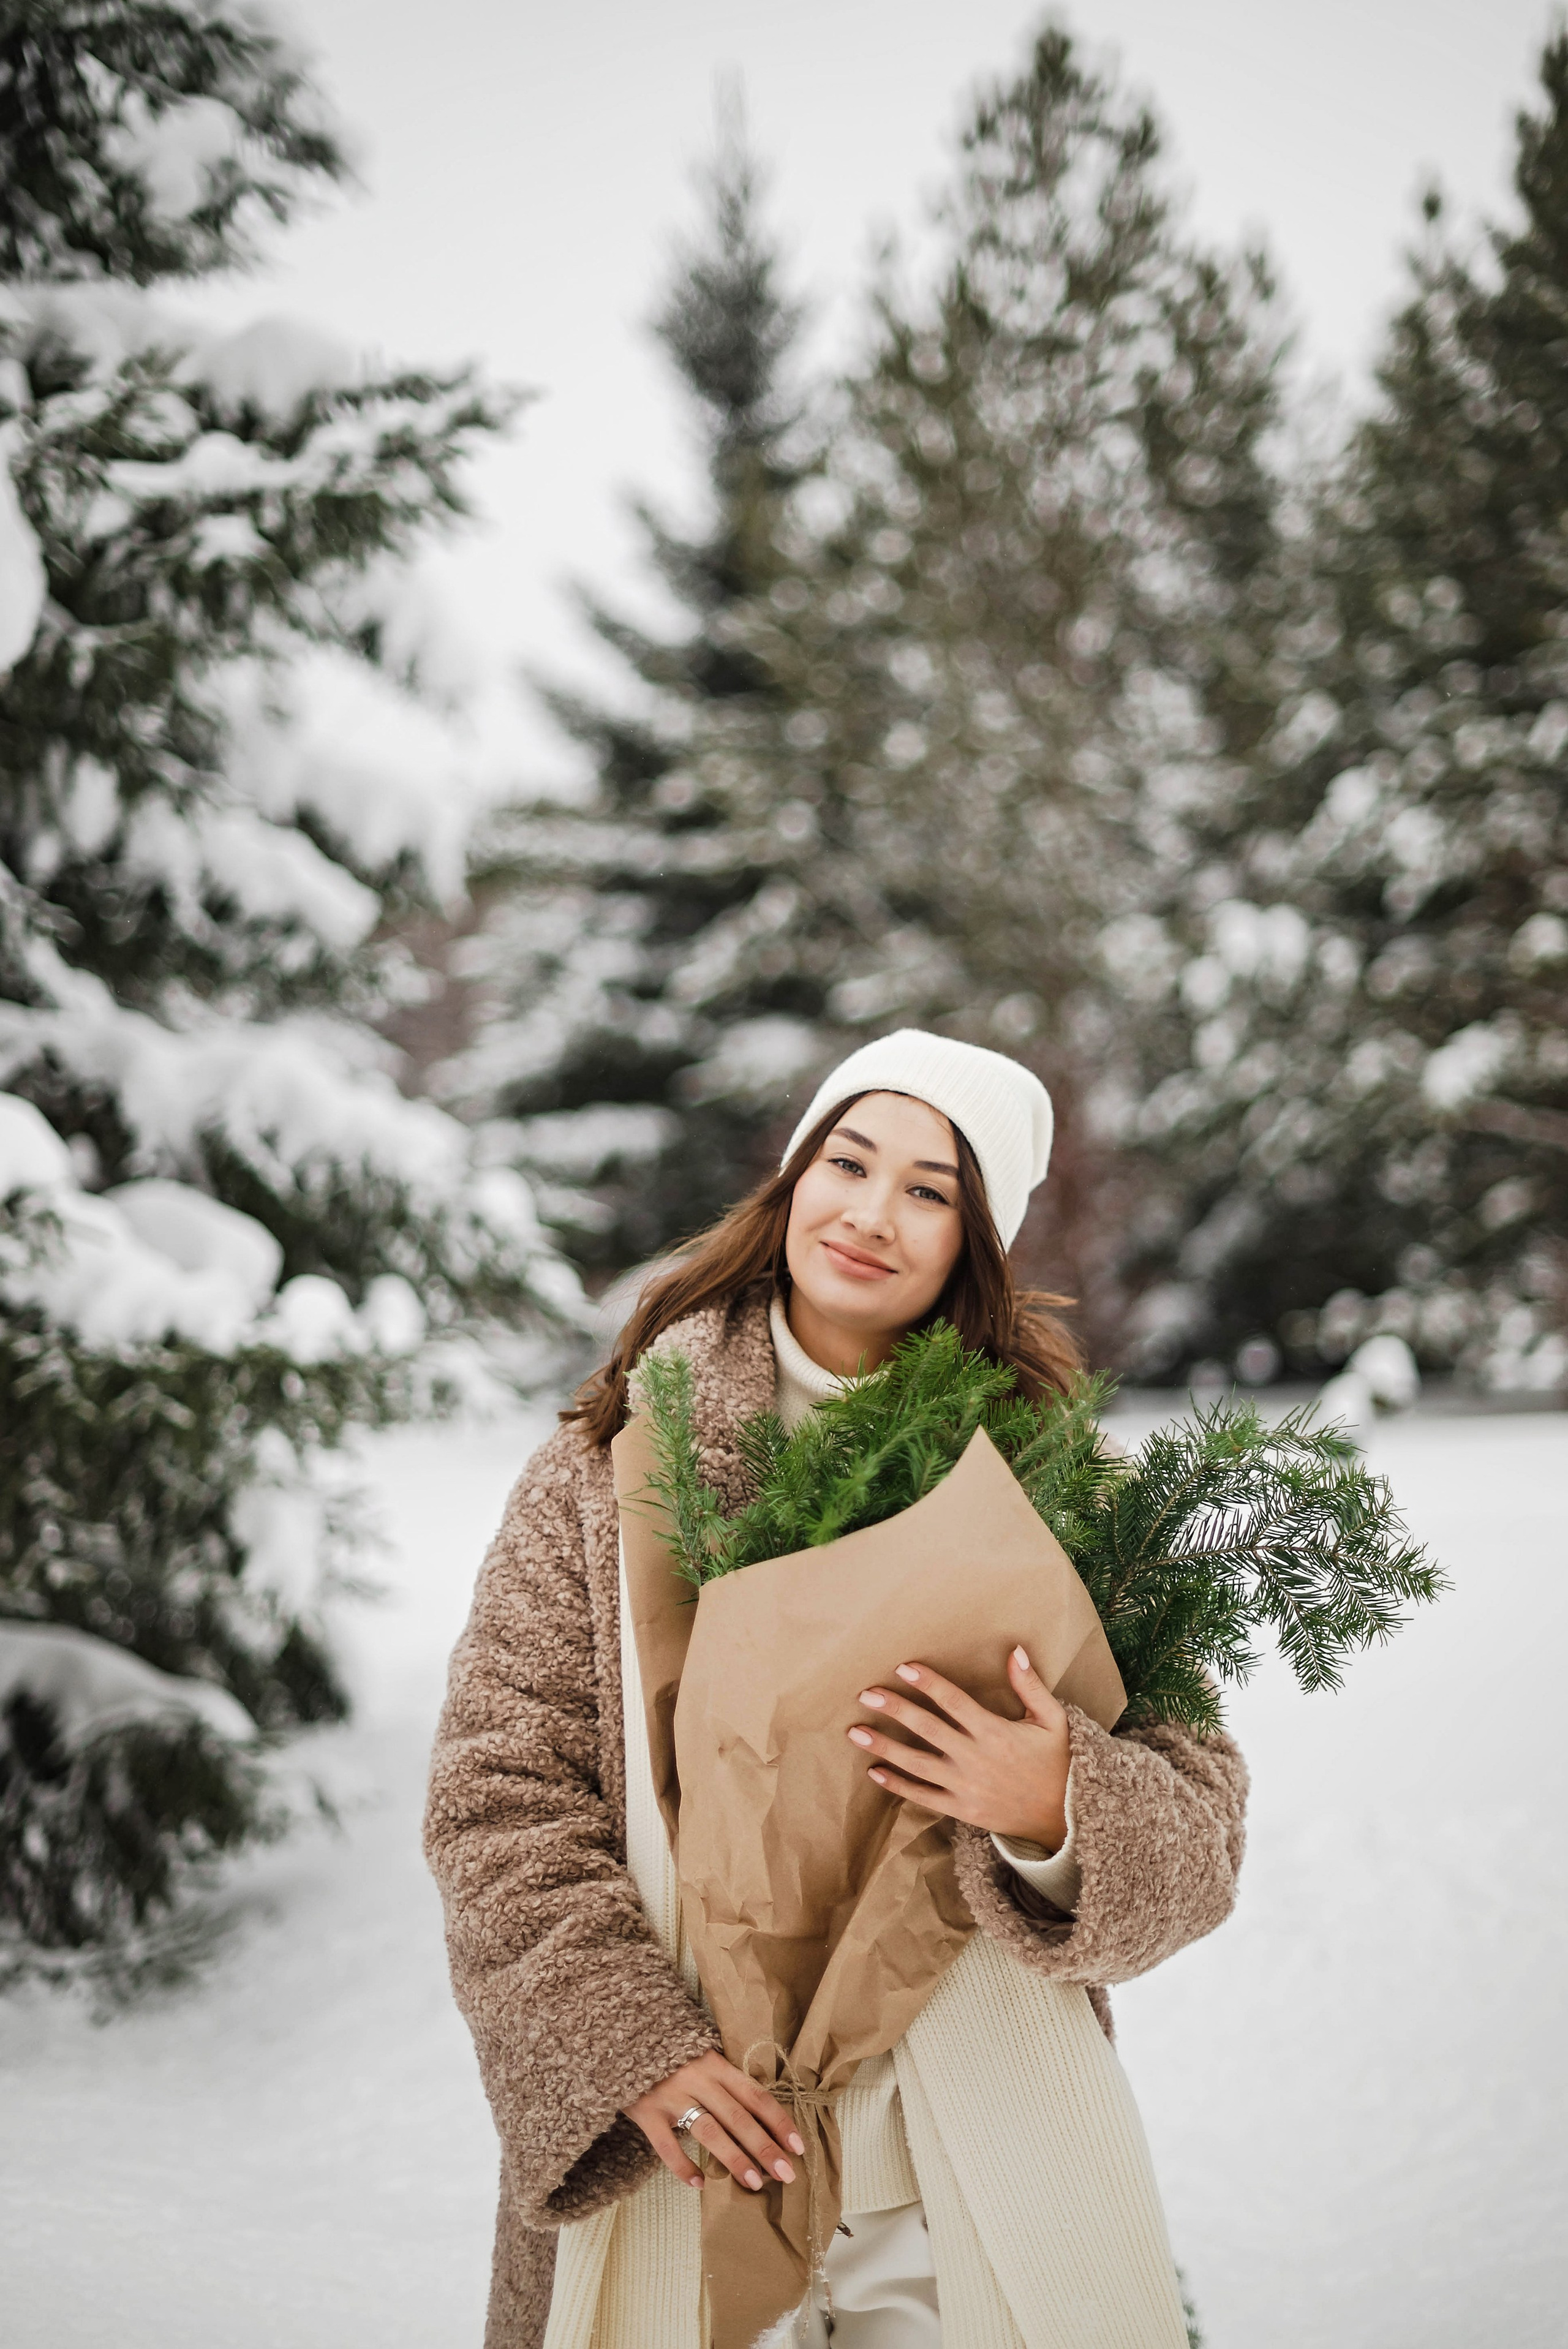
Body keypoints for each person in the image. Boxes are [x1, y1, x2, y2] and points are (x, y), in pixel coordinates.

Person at [425, 1030, 1248, 2349]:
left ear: (975, 1240)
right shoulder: (604, 1462)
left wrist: (1056, 1802)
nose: (870, 1213)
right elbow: (498, 1797)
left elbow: (1200, 1837)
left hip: (965, 2135)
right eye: (846, 1160)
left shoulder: (1062, 1491)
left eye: (929, 1190)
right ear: (793, 1178)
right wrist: (627, 2048)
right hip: (695, 2123)